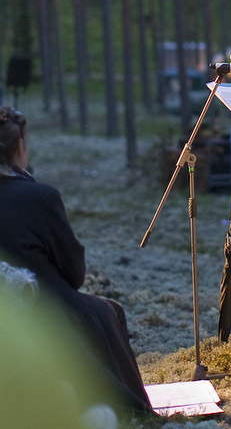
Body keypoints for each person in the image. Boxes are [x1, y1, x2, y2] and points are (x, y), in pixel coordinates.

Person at [0, 106, 152, 415]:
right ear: (19, 147)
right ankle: (125, 407)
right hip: (40, 307)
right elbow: (74, 272)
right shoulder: (38, 197)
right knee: (107, 311)